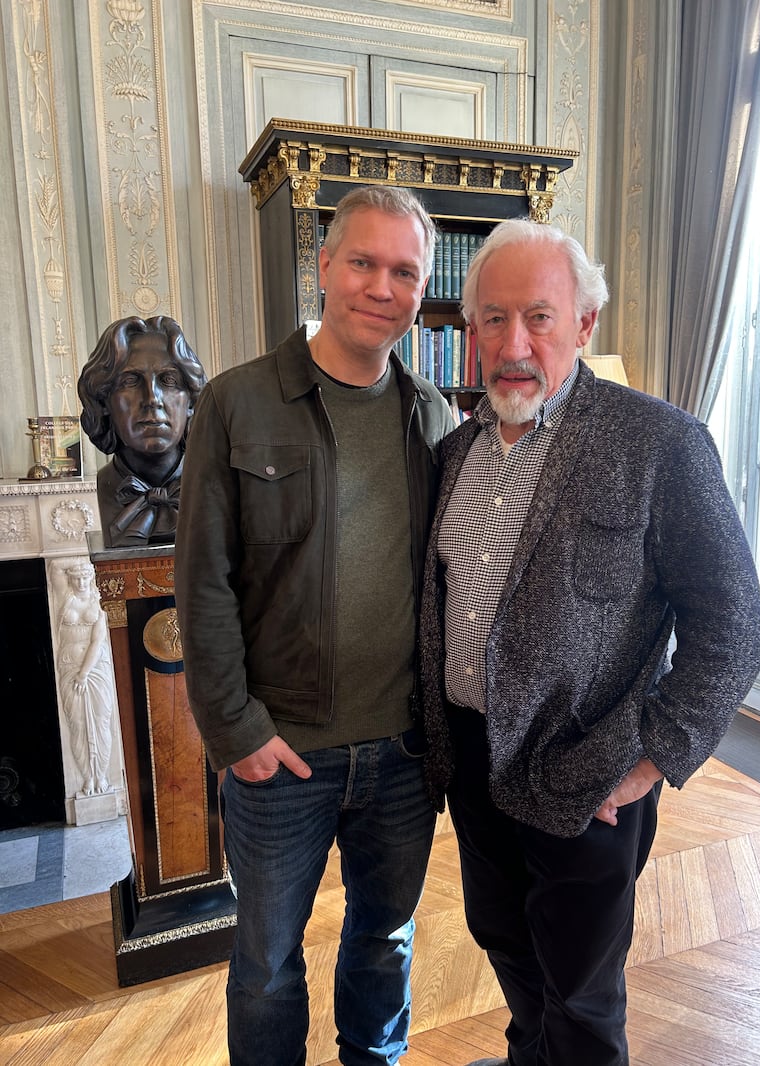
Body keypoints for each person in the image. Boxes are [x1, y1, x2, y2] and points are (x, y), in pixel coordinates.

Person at [419, 219, 760, 1066]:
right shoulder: (452, 452)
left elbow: (736, 624)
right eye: (494, 319)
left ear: (584, 324)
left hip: (588, 773)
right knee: (505, 942)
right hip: (472, 762)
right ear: (471, 332)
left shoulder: (660, 444)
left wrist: (652, 760)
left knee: (580, 991)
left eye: (539, 317)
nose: (514, 344)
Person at [174, 186, 453, 1066]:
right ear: (324, 266)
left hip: (403, 756)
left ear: (422, 289)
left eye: (404, 271)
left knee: (385, 941)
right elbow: (202, 583)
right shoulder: (236, 403)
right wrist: (237, 733)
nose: (382, 287)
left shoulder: (434, 414)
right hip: (281, 755)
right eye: (363, 262)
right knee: (265, 966)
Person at [77, 315, 208, 547]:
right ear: (104, 401)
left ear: (190, 401)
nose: (152, 399)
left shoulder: (213, 483)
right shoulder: (105, 485)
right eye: (130, 381)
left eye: (169, 380)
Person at [57, 560, 116, 796]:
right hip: (70, 669)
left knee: (101, 721)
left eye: (85, 577)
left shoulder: (98, 602)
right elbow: (55, 565)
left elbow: (97, 641)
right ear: (70, 579)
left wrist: (84, 673)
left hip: (95, 670)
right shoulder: (64, 597)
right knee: (78, 724)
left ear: (92, 577)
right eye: (76, 578)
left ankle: (101, 775)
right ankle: (87, 777)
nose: (81, 582)